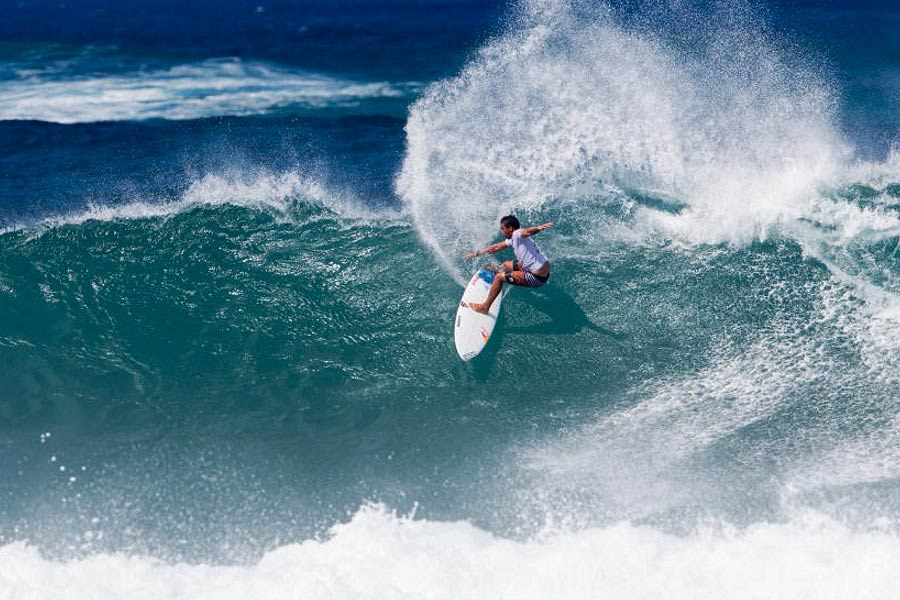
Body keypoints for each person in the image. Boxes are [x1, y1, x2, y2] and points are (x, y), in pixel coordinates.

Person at [464, 215, 552, 314]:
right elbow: (496, 247)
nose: (501, 231)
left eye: (502, 228)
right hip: (534, 268)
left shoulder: (517, 234)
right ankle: (502, 279)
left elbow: (527, 232)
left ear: (510, 228)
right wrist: (477, 254)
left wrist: (538, 228)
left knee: (499, 277)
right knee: (506, 265)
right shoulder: (512, 239)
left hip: (536, 278)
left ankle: (485, 307)